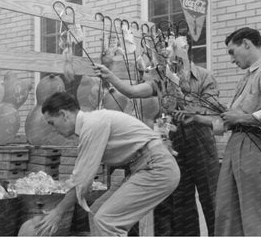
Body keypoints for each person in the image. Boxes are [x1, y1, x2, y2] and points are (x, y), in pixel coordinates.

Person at [93, 34, 220, 236]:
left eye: (174, 51)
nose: (170, 56)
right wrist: (111, 76)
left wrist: (192, 113)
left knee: (211, 195)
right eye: (168, 53)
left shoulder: (204, 76)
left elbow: (212, 110)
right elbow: (132, 91)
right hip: (174, 139)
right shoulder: (164, 79)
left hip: (200, 138)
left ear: (186, 51)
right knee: (180, 199)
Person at [184, 27, 261, 236]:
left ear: (246, 44)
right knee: (228, 213)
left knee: (257, 215)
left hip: (255, 147)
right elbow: (228, 122)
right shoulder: (247, 78)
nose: (232, 60)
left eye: (232, 52)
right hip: (236, 145)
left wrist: (241, 117)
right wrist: (196, 118)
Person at [35, 92, 180, 236]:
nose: (53, 129)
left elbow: (82, 180)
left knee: (106, 221)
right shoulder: (92, 123)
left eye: (52, 123)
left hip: (156, 168)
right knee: (97, 211)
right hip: (146, 165)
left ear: (63, 114)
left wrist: (58, 213)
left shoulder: (92, 125)